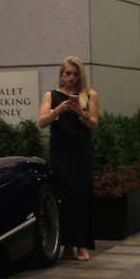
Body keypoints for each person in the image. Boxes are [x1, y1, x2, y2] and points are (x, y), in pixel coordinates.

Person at [37, 56, 99, 261]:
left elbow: (93, 125)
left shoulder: (89, 95)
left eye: (75, 73)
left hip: (81, 151)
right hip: (61, 151)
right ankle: (67, 245)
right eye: (68, 73)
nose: (71, 78)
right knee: (65, 196)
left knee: (81, 195)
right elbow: (42, 122)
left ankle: (82, 245)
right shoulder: (52, 95)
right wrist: (59, 109)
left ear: (80, 75)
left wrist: (81, 113)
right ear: (62, 75)